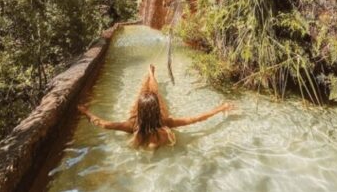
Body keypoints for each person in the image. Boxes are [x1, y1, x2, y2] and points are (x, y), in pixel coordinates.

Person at [77, 64, 233, 149]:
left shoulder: (131, 125)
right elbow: (196, 119)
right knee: (154, 90)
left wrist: (86, 112)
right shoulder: (166, 122)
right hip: (152, 107)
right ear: (157, 107)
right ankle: (151, 74)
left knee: (143, 91)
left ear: (139, 110)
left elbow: (103, 123)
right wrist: (221, 108)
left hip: (141, 106)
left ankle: (150, 74)